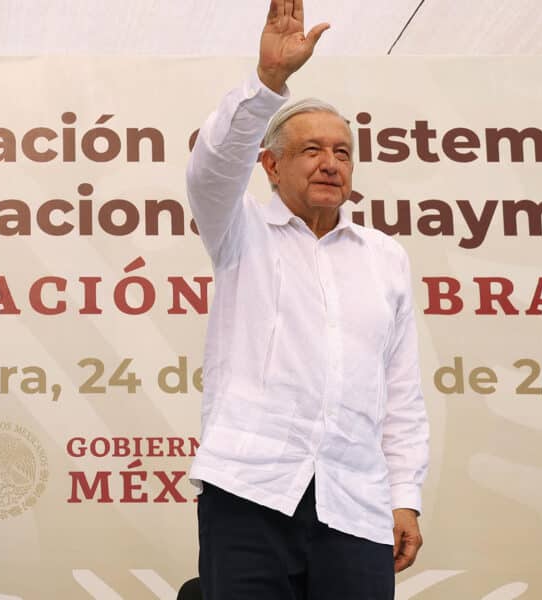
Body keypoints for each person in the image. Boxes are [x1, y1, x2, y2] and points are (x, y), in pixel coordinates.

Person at [186, 1, 429, 598]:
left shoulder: (384, 256)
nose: (330, 163)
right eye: (311, 150)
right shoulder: (238, 229)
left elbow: (399, 389)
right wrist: (268, 83)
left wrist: (405, 497)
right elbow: (211, 171)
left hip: (355, 502)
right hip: (250, 490)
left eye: (342, 152)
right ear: (270, 165)